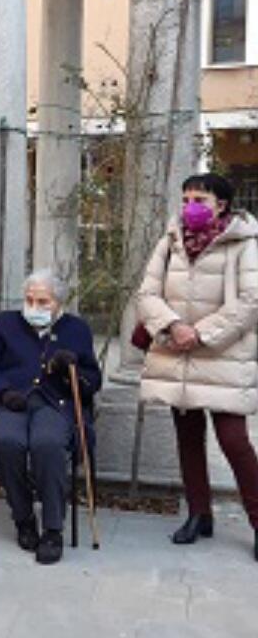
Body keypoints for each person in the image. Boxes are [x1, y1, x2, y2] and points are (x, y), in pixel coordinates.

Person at [136, 173, 258, 562]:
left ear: (221, 204)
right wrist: (173, 326)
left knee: (235, 441)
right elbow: (147, 293)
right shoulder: (170, 241)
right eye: (186, 197)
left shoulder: (244, 243)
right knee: (188, 440)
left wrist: (200, 334)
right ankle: (198, 514)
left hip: (222, 355)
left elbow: (251, 301)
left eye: (200, 199)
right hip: (177, 353)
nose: (191, 205)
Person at [0, 270, 102, 565]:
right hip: (12, 401)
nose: (34, 307)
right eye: (29, 300)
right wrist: (3, 392)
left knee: (48, 443)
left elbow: (93, 380)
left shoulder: (76, 329)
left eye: (42, 301)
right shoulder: (6, 323)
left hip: (55, 404)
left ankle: (53, 529)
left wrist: (71, 373)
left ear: (59, 302)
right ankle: (23, 518)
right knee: (6, 441)